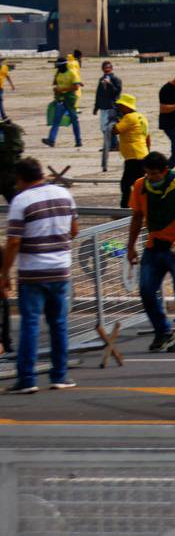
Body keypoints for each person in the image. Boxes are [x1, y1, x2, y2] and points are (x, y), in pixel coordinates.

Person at [3, 157, 77, 393]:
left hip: (33, 273)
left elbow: (14, 241)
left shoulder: (21, 200)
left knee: (31, 326)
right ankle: (60, 375)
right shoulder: (64, 194)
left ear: (20, 179)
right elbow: (74, 229)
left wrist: (5, 273)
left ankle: (27, 379)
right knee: (58, 324)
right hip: (60, 269)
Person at [126, 151, 175, 353]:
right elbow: (136, 217)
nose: (151, 177)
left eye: (154, 174)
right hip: (154, 247)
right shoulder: (140, 186)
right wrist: (130, 246)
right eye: (147, 173)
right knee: (146, 291)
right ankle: (163, 331)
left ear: (165, 171)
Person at [110, 92, 149, 208]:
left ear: (127, 106)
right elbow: (147, 137)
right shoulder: (142, 117)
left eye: (121, 106)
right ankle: (142, 206)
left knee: (126, 184)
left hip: (134, 156)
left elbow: (115, 130)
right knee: (140, 184)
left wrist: (114, 120)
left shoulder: (129, 117)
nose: (120, 108)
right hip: (142, 153)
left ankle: (125, 207)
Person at [45, 55, 81, 148]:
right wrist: (56, 90)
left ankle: (78, 141)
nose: (58, 69)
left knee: (74, 120)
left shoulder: (72, 73)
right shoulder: (59, 74)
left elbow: (76, 87)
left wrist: (63, 89)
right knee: (56, 120)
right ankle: (51, 140)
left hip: (70, 100)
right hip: (60, 100)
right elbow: (56, 85)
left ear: (64, 66)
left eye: (59, 67)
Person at [91, 59, 121, 149]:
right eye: (105, 67)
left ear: (111, 68)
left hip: (111, 106)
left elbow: (116, 92)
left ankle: (112, 145)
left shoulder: (116, 79)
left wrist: (110, 84)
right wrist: (96, 107)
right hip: (103, 107)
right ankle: (111, 144)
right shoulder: (101, 80)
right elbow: (98, 94)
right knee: (103, 127)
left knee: (109, 127)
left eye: (108, 67)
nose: (106, 69)